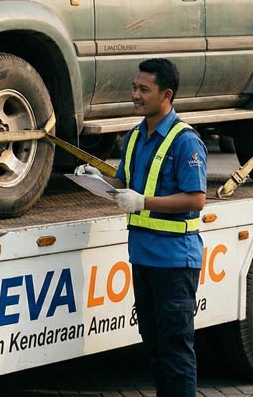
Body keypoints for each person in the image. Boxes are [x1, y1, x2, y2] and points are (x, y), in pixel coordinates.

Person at [77, 57, 207, 396]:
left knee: (176, 349)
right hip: (144, 258)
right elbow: (124, 181)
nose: (135, 95)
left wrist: (143, 203)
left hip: (175, 263)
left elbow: (196, 199)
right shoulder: (135, 136)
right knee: (154, 346)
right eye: (134, 87)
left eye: (143, 89)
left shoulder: (185, 141)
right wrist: (99, 180)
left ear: (166, 94)